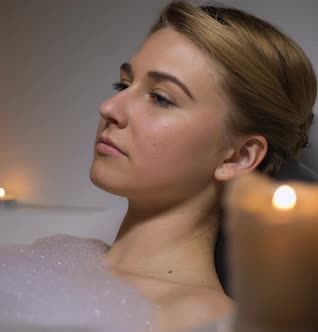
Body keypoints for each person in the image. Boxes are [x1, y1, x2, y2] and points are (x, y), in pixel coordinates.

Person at [89, 1, 316, 331]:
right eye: (123, 85)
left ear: (238, 157)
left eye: (161, 98)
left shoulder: (207, 322)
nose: (109, 107)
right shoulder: (55, 265)